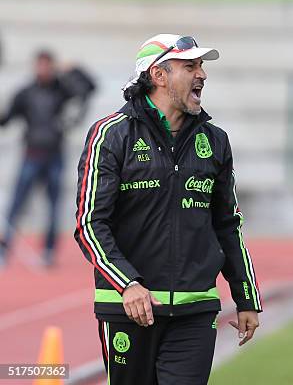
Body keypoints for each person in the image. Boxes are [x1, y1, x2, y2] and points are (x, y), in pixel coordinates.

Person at [74, 33, 262, 384]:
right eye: (190, 66)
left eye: (201, 66)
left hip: (196, 309)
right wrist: (127, 283)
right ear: (158, 75)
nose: (202, 74)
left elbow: (227, 224)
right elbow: (89, 223)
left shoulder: (216, 140)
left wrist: (246, 297)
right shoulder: (110, 135)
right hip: (128, 308)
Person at [0, 50, 94, 267]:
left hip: (54, 156)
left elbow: (89, 87)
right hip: (31, 154)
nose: (42, 69)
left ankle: (49, 251)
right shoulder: (25, 93)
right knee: (16, 204)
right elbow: (6, 119)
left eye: (47, 65)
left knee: (53, 206)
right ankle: (4, 250)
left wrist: (74, 68)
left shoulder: (62, 90)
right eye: (39, 65)